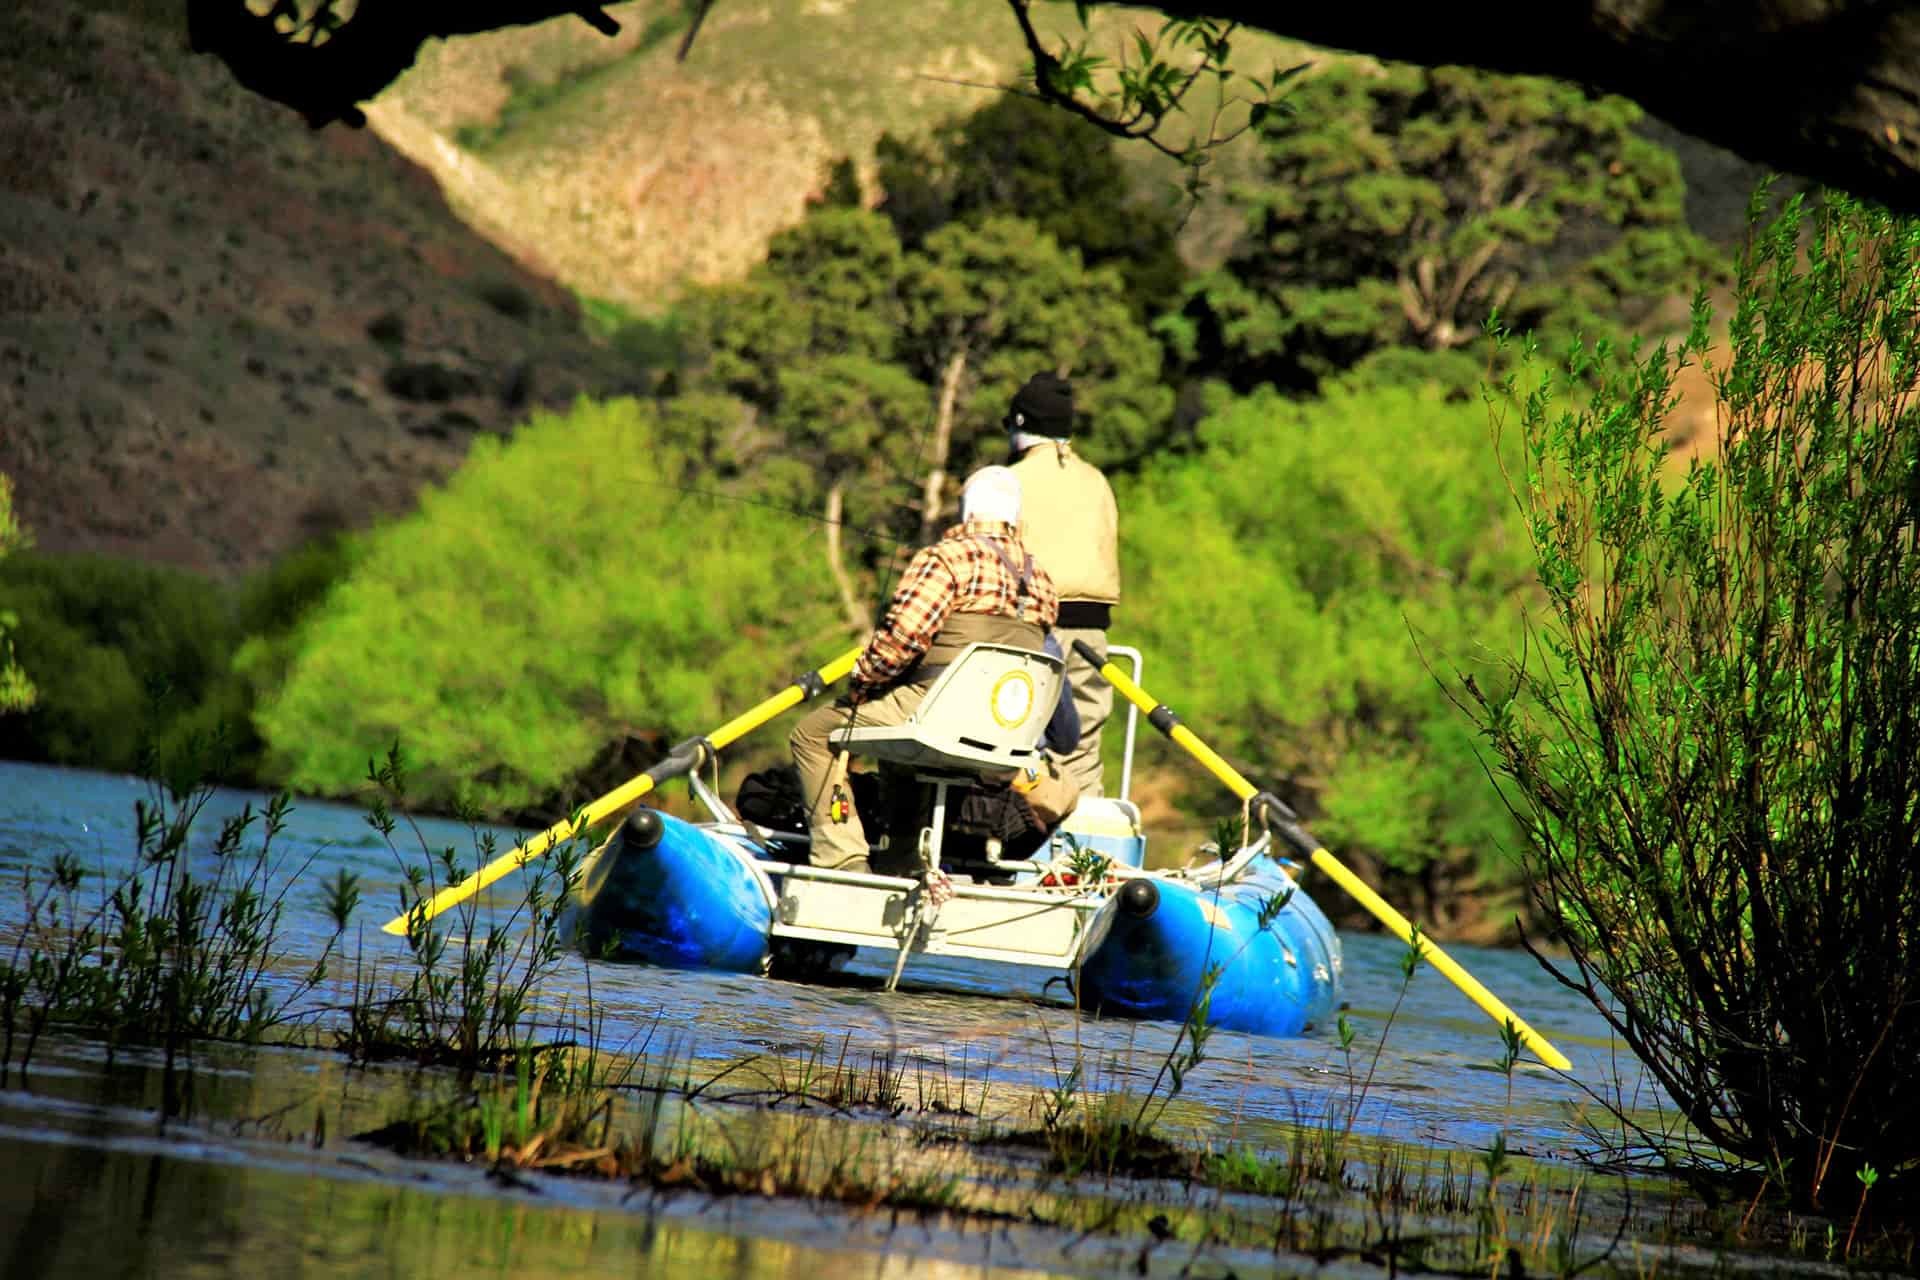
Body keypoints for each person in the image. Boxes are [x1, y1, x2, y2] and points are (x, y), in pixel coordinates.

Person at [789, 465, 1059, 873]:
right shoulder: (1044, 581)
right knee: (901, 748)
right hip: (1002, 735)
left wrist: (862, 682)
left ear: (964, 515)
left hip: (935, 712)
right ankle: (905, 861)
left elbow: (901, 639)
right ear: (1016, 520)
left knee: (811, 734)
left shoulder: (946, 558)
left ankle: (842, 860)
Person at [1005, 371, 1120, 797]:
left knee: (1022, 731)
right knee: (1084, 739)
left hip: (1035, 623)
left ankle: (1022, 822)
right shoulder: (1097, 481)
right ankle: (1084, 828)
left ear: (1020, 425)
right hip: (1094, 627)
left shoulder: (1010, 481)